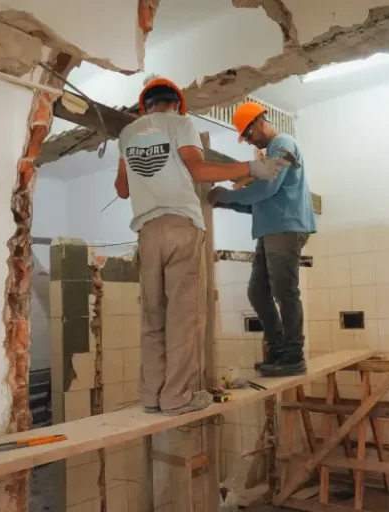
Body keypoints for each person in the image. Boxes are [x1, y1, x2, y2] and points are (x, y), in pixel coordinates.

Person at [115, 79, 286, 415]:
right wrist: (251, 167)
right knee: (183, 316)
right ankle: (177, 396)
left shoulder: (127, 134)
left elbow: (122, 189)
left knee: (153, 317)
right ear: (176, 104)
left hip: (147, 232)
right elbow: (200, 170)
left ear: (144, 105)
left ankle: (152, 395)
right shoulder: (182, 124)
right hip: (181, 226)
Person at [207, 102, 316, 377]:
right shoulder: (272, 153)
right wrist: (225, 203)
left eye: (248, 134)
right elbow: (257, 203)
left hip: (286, 227)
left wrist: (229, 195)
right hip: (271, 229)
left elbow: (266, 187)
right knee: (258, 292)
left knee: (285, 292)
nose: (249, 141)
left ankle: (293, 356)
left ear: (258, 123)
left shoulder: (283, 143)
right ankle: (279, 349)